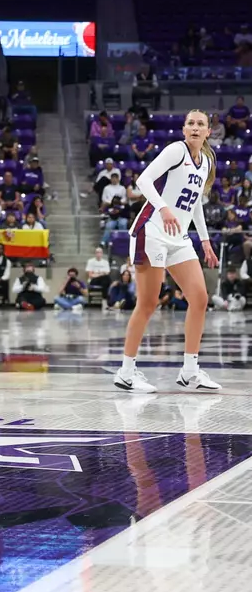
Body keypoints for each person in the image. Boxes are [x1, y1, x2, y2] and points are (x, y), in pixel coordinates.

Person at [114, 110, 220, 394]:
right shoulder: (176, 150)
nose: (195, 128)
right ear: (184, 129)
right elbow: (143, 181)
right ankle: (126, 371)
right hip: (153, 230)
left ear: (208, 131)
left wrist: (206, 241)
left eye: (201, 124)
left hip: (179, 237)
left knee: (199, 298)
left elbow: (196, 203)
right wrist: (164, 208)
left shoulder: (207, 161)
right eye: (191, 123)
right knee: (148, 304)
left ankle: (190, 371)